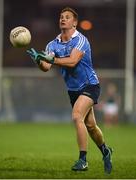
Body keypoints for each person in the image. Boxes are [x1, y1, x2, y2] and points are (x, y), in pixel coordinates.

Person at [27, 7, 113, 173]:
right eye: (61, 17)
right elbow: (46, 67)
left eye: (67, 17)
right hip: (73, 90)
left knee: (76, 116)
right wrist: (39, 60)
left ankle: (83, 160)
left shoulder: (81, 40)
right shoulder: (53, 44)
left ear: (74, 23)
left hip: (90, 85)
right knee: (91, 126)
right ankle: (105, 150)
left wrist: (52, 59)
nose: (63, 19)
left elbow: (72, 61)